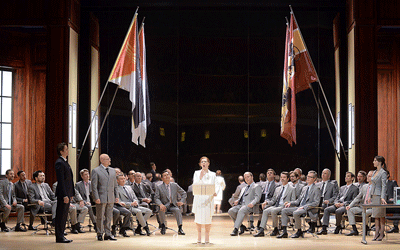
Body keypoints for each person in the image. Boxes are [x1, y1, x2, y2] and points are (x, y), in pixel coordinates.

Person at [278, 170, 321, 238]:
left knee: (296, 213)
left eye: (310, 177)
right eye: (308, 176)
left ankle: (299, 231)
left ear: (314, 178)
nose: (308, 178)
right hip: (300, 207)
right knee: (284, 210)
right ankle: (284, 232)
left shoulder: (316, 189)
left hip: (308, 209)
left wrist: (304, 207)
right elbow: (298, 201)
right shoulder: (304, 188)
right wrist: (290, 203)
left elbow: (316, 203)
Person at [254, 172, 296, 237]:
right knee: (265, 211)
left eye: (284, 177)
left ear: (288, 179)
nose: (282, 179)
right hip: (276, 205)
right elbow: (273, 200)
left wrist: (288, 202)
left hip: (284, 206)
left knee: (274, 211)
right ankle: (261, 230)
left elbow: (293, 200)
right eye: (281, 177)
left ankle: (275, 228)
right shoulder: (277, 188)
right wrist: (266, 202)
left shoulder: (292, 189)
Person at [92, 154, 119, 241]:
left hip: (110, 197)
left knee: (109, 216)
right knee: (100, 216)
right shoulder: (96, 171)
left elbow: (115, 185)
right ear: (102, 160)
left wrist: (116, 196)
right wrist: (96, 197)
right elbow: (94, 186)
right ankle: (100, 233)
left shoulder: (112, 171)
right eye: (108, 159)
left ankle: (108, 233)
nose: (109, 160)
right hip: (101, 197)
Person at [228, 172, 262, 236]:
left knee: (242, 210)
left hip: (251, 206)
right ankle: (241, 226)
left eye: (248, 177)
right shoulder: (244, 188)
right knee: (231, 211)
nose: (246, 179)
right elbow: (241, 197)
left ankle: (235, 229)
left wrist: (252, 203)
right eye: (245, 177)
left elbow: (257, 197)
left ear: (252, 177)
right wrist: (237, 201)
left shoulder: (257, 186)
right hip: (241, 205)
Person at [192, 157, 217, 244]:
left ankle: (207, 238)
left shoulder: (213, 174)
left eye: (205, 162)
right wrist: (200, 177)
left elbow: (215, 185)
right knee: (198, 218)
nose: (204, 163)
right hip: (199, 198)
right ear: (200, 164)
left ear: (208, 163)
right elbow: (195, 185)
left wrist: (215, 192)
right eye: (202, 162)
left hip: (208, 199)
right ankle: (199, 237)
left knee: (208, 218)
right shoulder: (196, 173)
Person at [154, 170, 187, 235]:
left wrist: (181, 201)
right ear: (162, 178)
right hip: (164, 205)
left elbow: (184, 193)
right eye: (165, 176)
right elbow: (156, 198)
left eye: (168, 175)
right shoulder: (159, 187)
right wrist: (160, 204)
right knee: (161, 209)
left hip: (173, 205)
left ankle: (180, 228)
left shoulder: (174, 185)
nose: (167, 177)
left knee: (177, 210)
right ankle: (163, 226)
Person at [54, 142, 75, 243]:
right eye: (66, 149)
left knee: (64, 215)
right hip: (63, 194)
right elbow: (61, 181)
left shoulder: (65, 162)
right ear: (61, 151)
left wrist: (71, 194)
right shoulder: (59, 162)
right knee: (61, 215)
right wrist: (65, 195)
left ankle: (61, 234)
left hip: (67, 193)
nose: (68, 151)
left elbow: (69, 180)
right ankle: (59, 236)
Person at [345, 170, 374, 236]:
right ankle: (354, 229)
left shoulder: (376, 187)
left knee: (365, 213)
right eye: (368, 176)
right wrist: (350, 205)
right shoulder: (364, 186)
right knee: (350, 210)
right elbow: (358, 197)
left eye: (370, 176)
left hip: (372, 207)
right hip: (362, 207)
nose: (368, 177)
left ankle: (366, 228)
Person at [369, 156, 388, 241]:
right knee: (376, 215)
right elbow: (372, 185)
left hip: (380, 196)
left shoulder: (383, 172)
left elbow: (384, 186)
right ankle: (376, 233)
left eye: (375, 160)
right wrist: (370, 196)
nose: (373, 162)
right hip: (374, 195)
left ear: (379, 162)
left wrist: (383, 197)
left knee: (381, 216)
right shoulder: (374, 172)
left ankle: (381, 233)